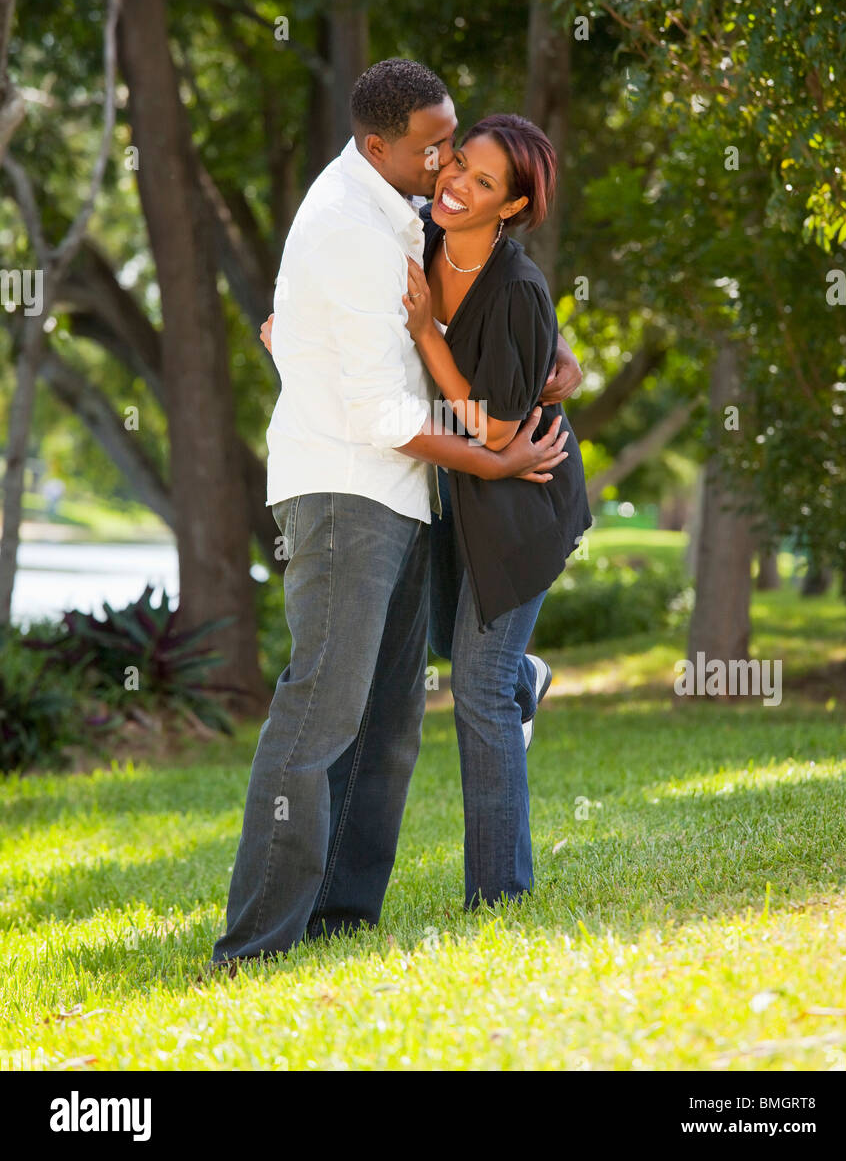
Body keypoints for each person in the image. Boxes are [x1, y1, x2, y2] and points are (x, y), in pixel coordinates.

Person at [210, 61, 578, 969]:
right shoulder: (350, 227)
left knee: (388, 722)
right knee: (319, 715)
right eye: (436, 148)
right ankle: (256, 942)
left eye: (458, 146)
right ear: (381, 148)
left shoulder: (397, 209)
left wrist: (558, 352)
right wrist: (495, 452)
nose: (448, 163)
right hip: (346, 489)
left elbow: (496, 280)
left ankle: (342, 916)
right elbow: (381, 413)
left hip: (402, 492)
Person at [401, 112, 593, 910]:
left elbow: (499, 427)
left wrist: (424, 333)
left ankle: (499, 894)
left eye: (484, 183)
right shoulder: (415, 231)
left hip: (525, 491)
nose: (458, 185)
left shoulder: (515, 287)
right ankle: (529, 673)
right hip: (463, 488)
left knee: (474, 688)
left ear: (511, 207)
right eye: (460, 165)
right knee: (462, 649)